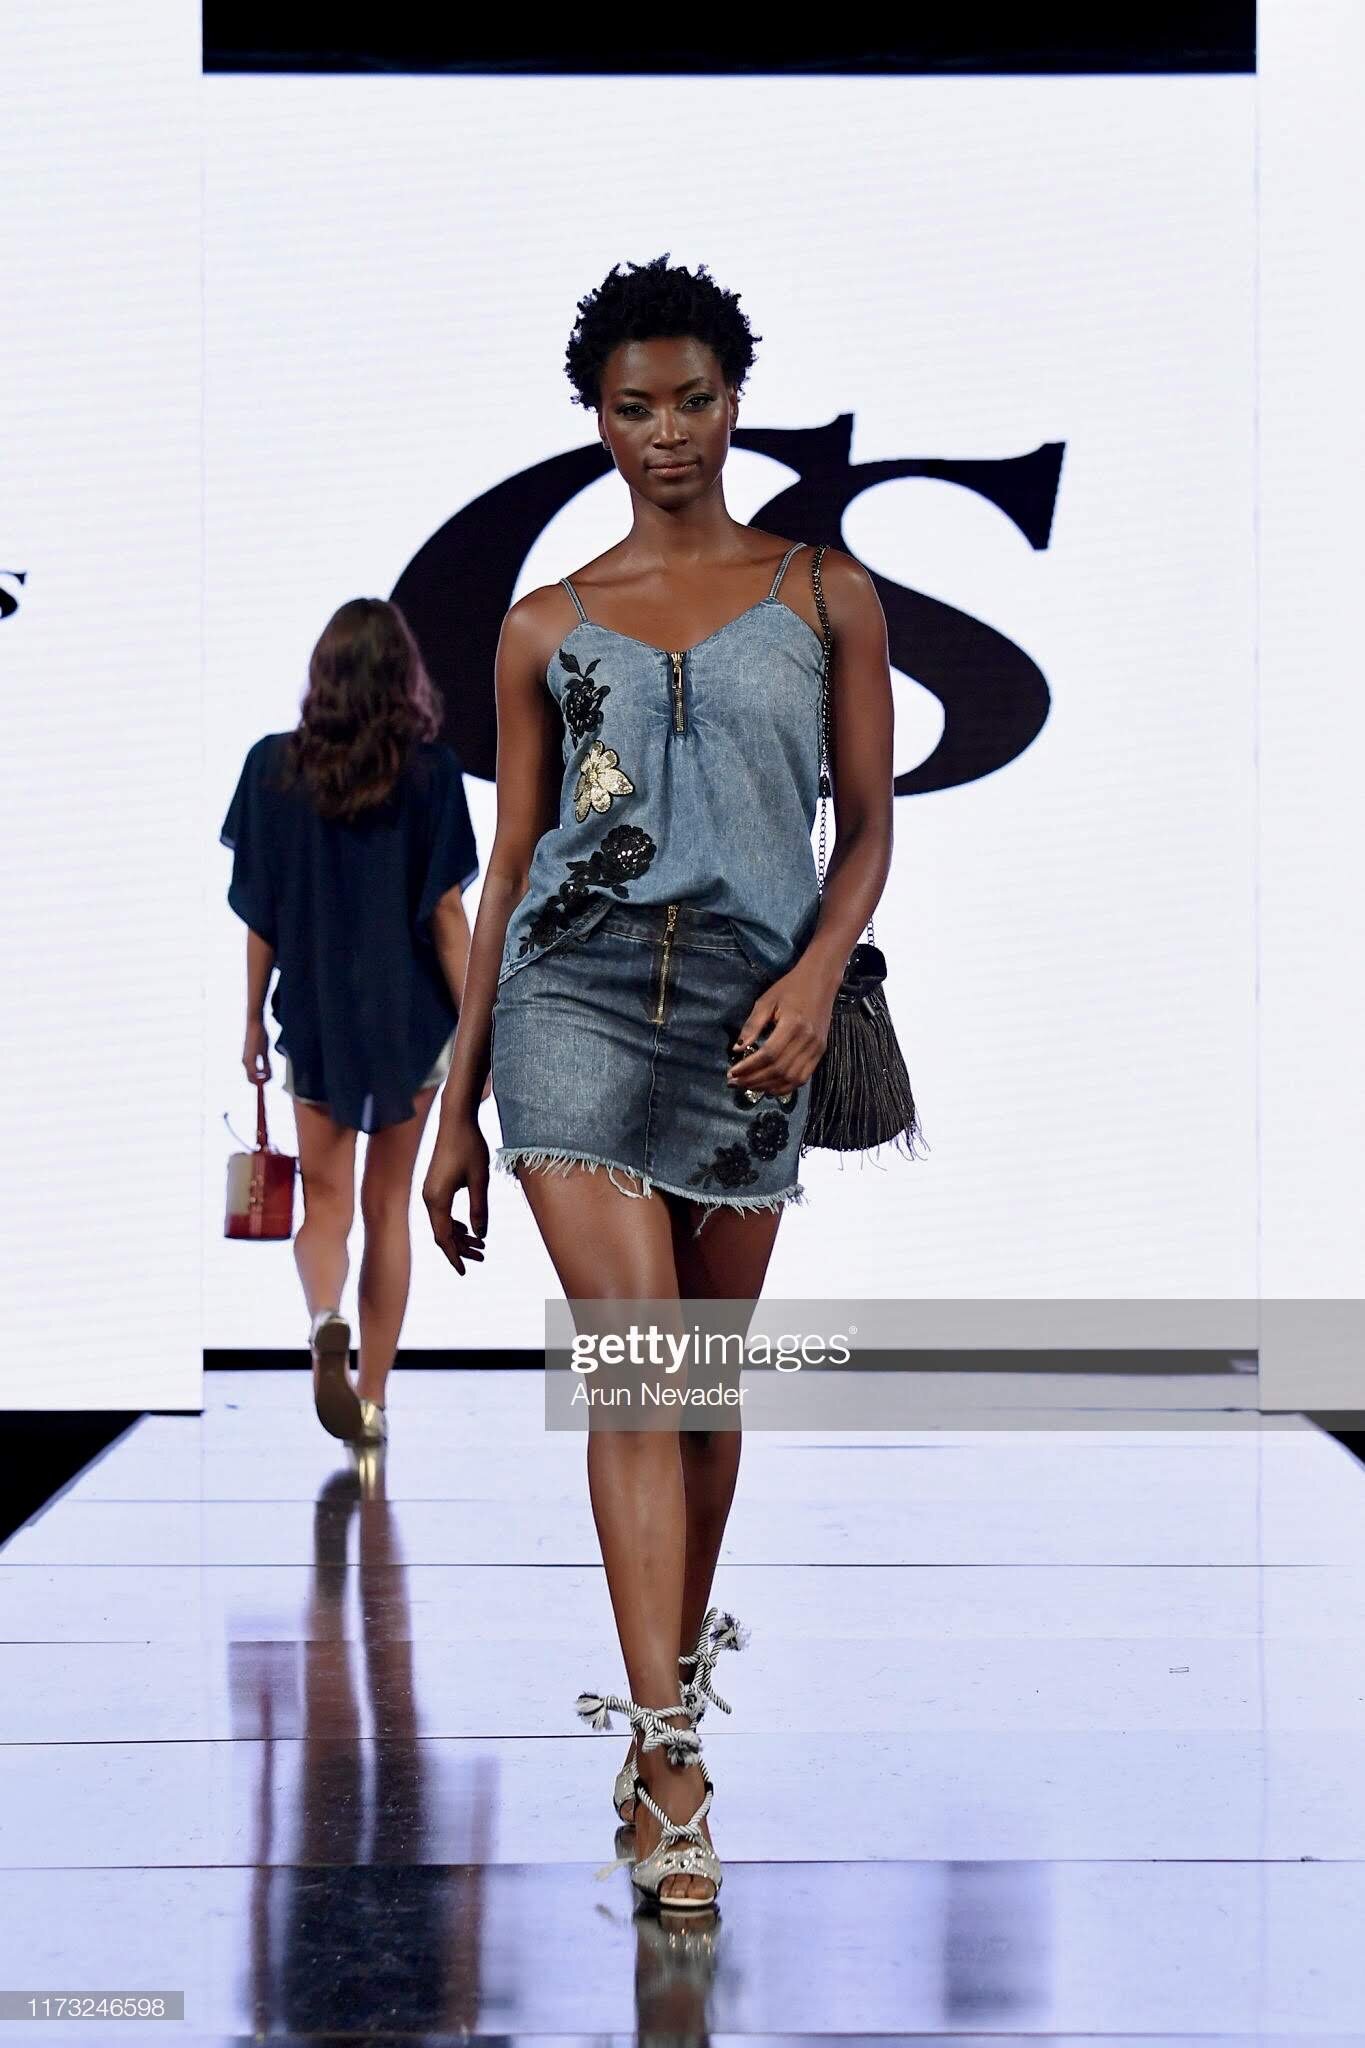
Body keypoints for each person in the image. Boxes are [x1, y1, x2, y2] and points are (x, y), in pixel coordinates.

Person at [423, 257, 894, 1908]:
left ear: (734, 399)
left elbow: (868, 825)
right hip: (576, 999)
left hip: (761, 1012)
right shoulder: (544, 623)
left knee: (702, 1389)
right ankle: (676, 1747)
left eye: (694, 398)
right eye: (636, 406)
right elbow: (509, 858)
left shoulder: (828, 591)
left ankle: (654, 1715)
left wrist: (823, 972)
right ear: (597, 418)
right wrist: (453, 1107)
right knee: (638, 1367)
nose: (669, 432)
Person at [222, 597, 481, 1447]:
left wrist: (254, 1021)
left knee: (324, 1205)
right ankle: (371, 1397)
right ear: (402, 676)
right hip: (410, 1017)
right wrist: (486, 1017)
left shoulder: (271, 770)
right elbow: (445, 912)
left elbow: (259, 914)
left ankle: (323, 1314)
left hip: (318, 1012)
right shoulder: (433, 773)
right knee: (388, 1208)